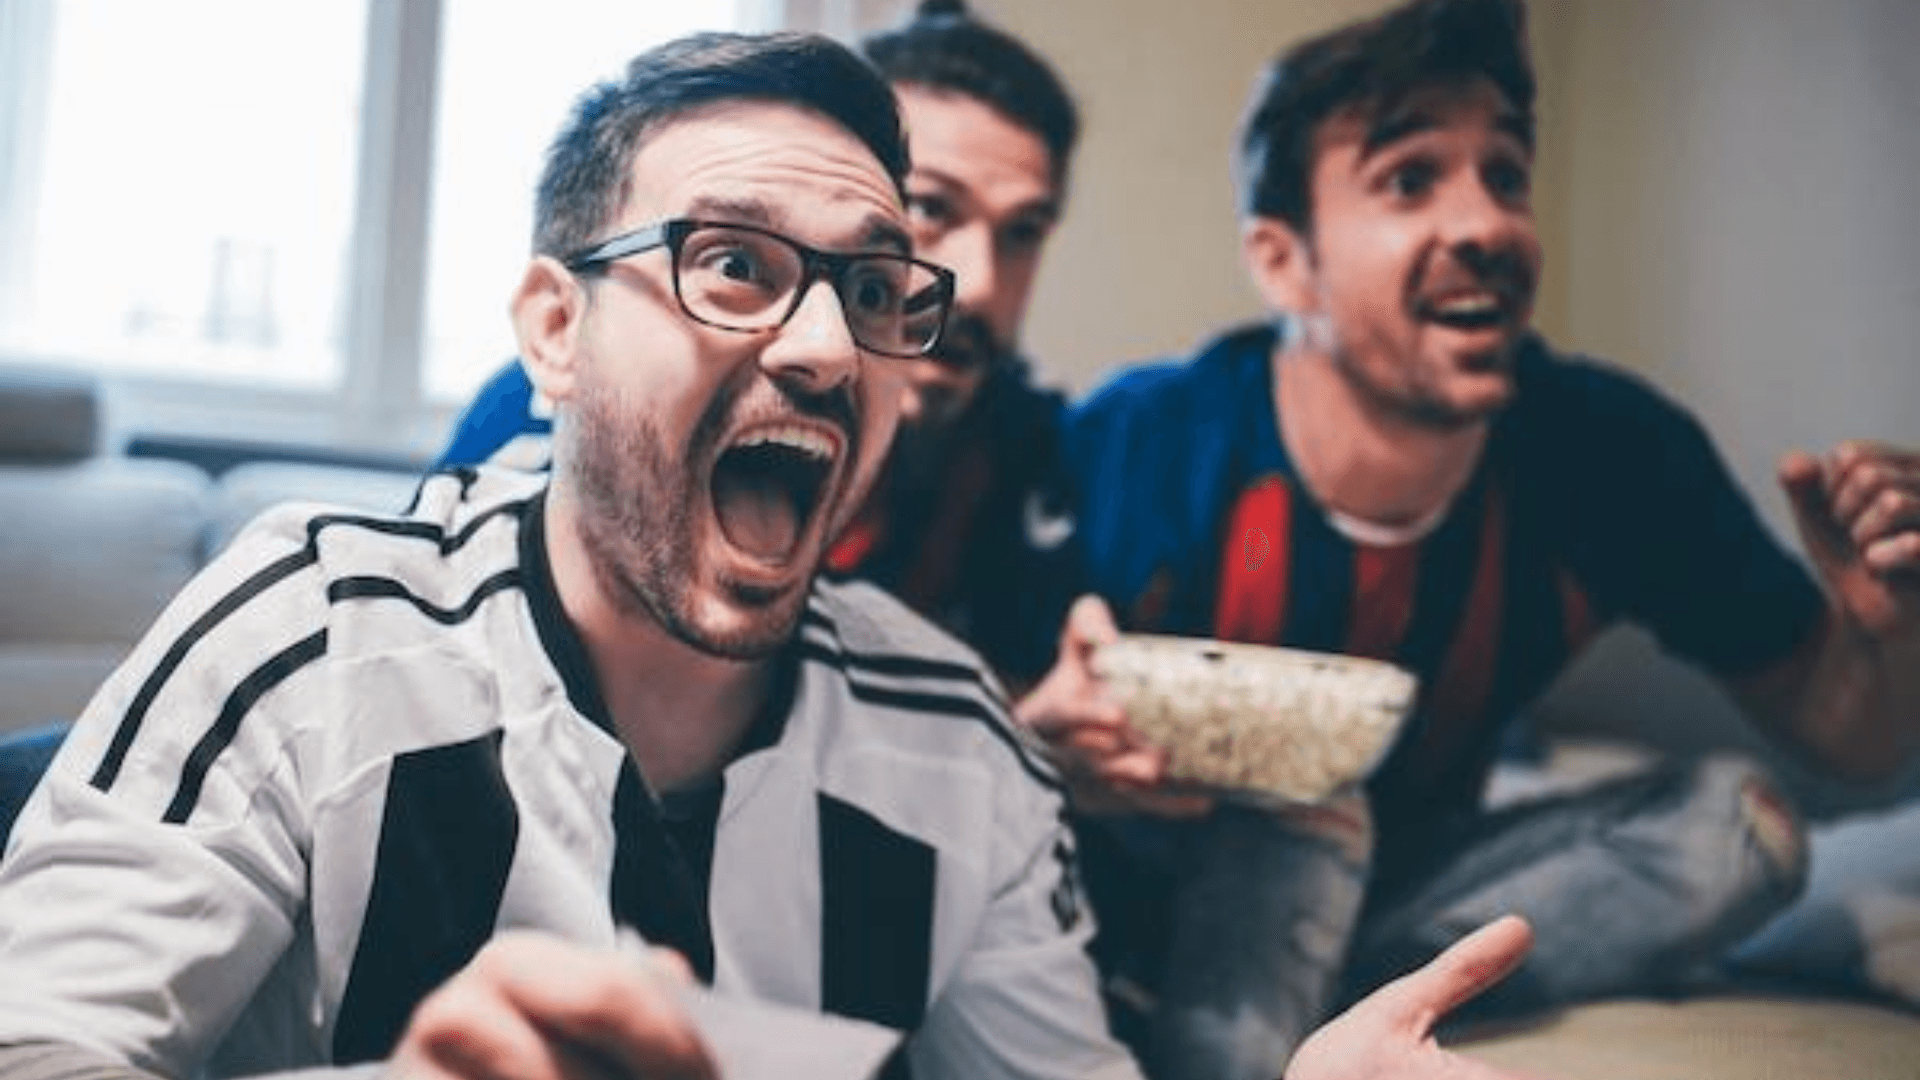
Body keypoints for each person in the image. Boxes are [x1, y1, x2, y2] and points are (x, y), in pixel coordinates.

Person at [0, 29, 1542, 1080]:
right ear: (552, 330)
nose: (825, 347)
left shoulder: (967, 756)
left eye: (878, 291)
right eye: (731, 265)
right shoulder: (312, 633)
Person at [1013, 1, 1920, 1078]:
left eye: (1505, 174)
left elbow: (1850, 741)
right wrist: (1039, 734)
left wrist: (1887, 632)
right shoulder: (1148, 444)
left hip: (1410, 882)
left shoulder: (1608, 452)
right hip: (1153, 885)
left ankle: (1315, 1004)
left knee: (1742, 825)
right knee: (1303, 816)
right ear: (1283, 261)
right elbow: (966, 747)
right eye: (1409, 180)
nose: (1486, 226)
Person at [437, 0, 1079, 686]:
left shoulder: (1029, 454)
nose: (977, 285)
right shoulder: (565, 402)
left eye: (1022, 234)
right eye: (928, 208)